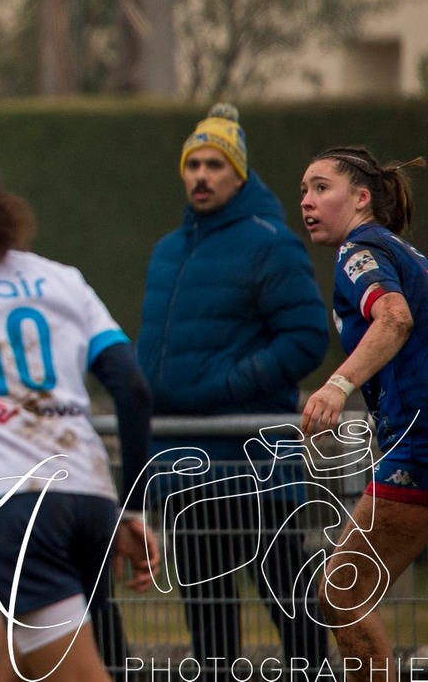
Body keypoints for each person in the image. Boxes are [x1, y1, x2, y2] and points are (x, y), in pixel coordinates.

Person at [0, 149, 158, 682]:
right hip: (90, 499)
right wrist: (131, 512)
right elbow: (132, 389)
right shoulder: (60, 278)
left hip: (12, 510)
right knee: (12, 665)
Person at [135, 103, 329, 677]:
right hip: (187, 463)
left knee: (290, 603)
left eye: (215, 164)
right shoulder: (169, 249)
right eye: (192, 163)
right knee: (206, 613)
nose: (200, 175)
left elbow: (306, 338)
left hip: (253, 462)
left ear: (239, 174)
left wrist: (228, 386)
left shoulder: (271, 243)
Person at [297, 147, 428, 668]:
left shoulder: (360, 250)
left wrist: (337, 385)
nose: (307, 201)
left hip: (417, 445)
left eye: (320, 187)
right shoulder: (405, 253)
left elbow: (393, 319)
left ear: (361, 197)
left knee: (342, 592)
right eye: (303, 192)